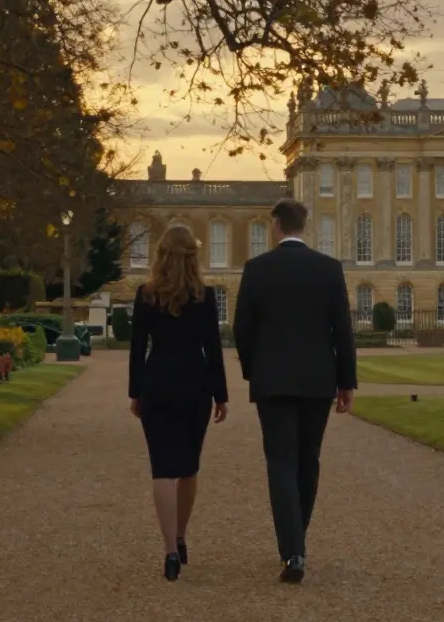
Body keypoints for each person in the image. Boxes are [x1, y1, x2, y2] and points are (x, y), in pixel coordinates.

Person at [234, 198, 357, 584]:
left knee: (281, 462)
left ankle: (294, 549)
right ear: (304, 226)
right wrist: (346, 381)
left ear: (276, 226)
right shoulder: (328, 269)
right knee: (308, 461)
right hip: (318, 381)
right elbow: (343, 331)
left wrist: (255, 370)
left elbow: (242, 330)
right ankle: (296, 544)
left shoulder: (257, 269)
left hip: (273, 381)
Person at [128, 225, 229, 582]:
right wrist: (221, 395)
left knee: (162, 469)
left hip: (157, 384)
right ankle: (182, 537)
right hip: (195, 386)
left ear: (161, 255)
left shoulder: (146, 295)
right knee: (188, 468)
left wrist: (135, 392)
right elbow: (212, 350)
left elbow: (138, 350)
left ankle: (170, 549)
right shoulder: (205, 295)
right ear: (193, 256)